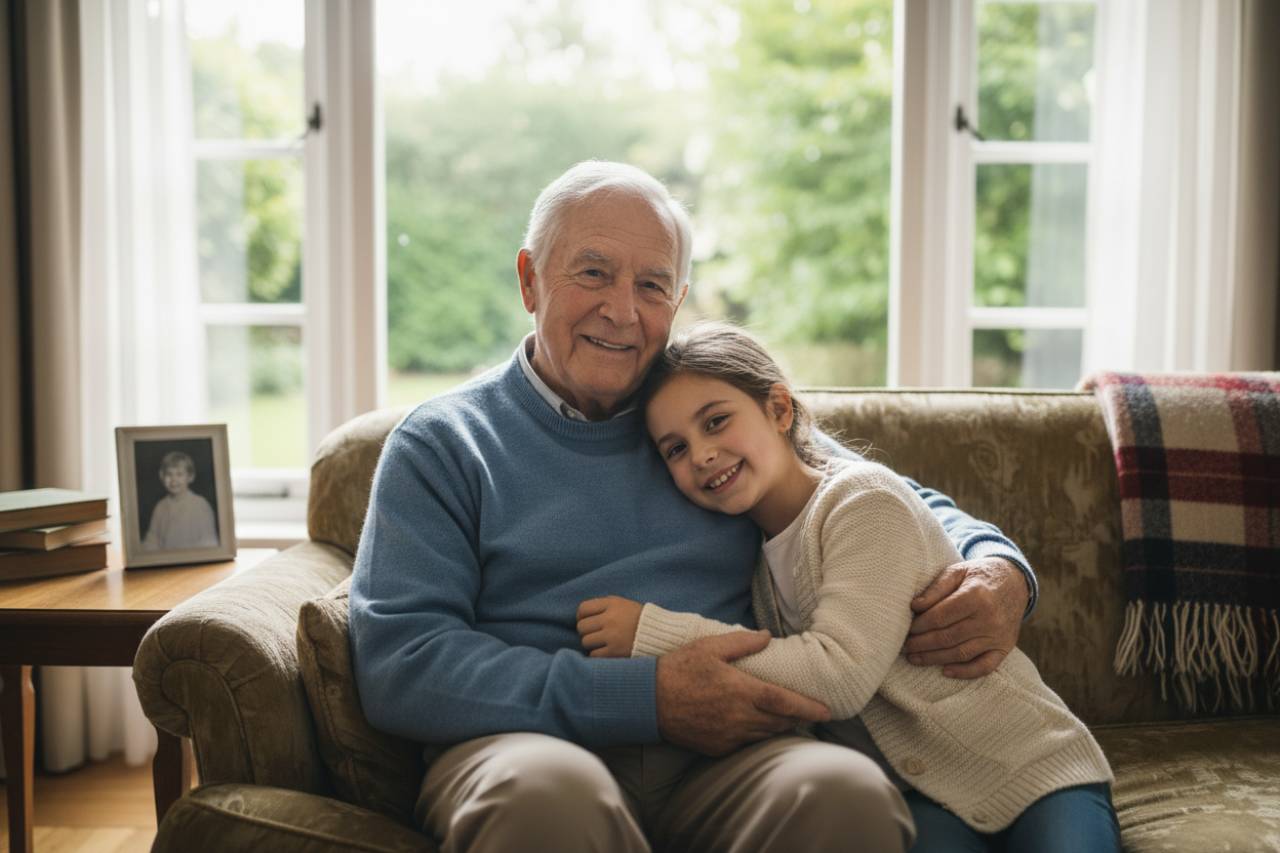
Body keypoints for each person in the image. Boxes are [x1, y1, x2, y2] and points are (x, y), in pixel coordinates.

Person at [350, 161, 1041, 852]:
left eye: (651, 285)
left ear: (676, 304)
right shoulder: (443, 443)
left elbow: (881, 496)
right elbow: (402, 661)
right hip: (529, 744)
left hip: (735, 751)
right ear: (530, 279)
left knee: (842, 793)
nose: (622, 310)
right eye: (593, 273)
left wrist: (998, 566)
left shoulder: (702, 413)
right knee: (545, 797)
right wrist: (644, 697)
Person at [577, 322, 1119, 852]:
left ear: (779, 409)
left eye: (716, 422)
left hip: (1031, 768)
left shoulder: (863, 501)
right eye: (675, 448)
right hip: (922, 794)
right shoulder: (753, 557)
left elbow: (837, 676)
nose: (701, 454)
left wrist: (654, 634)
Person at [141, 450, 218, 551]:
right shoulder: (160, 507)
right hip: (165, 558)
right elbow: (152, 540)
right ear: (162, 476)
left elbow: (209, 543)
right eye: (169, 474)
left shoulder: (200, 505)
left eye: (179, 474)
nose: (173, 479)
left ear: (190, 477)